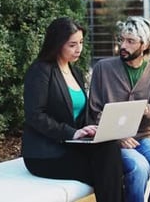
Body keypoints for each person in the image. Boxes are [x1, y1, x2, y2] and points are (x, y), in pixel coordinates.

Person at [21, 17, 124, 202]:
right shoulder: (40, 70)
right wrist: (71, 133)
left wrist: (89, 129)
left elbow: (77, 113)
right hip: (44, 153)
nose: (79, 49)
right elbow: (35, 115)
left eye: (81, 43)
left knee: (110, 149)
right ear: (57, 44)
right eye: (72, 44)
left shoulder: (75, 72)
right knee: (108, 173)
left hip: (70, 146)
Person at [88, 16, 150, 202]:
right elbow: (94, 110)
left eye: (130, 41)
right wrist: (116, 135)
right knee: (139, 168)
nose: (123, 45)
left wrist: (147, 110)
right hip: (111, 141)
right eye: (121, 40)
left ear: (144, 45)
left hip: (142, 138)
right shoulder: (102, 69)